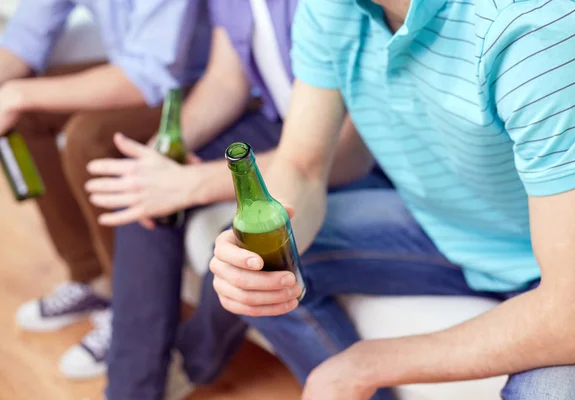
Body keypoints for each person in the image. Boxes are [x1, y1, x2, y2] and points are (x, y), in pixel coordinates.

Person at [201, 0, 575, 399]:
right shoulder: (331, 8)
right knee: (266, 274)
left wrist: (365, 364)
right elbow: (302, 166)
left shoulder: (541, 28)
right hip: (451, 226)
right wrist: (260, 261)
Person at [84, 0, 391, 398]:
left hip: (344, 153)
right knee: (140, 188)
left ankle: (194, 361)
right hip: (276, 126)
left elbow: (346, 155)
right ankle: (131, 389)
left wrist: (193, 182)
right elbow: (225, 83)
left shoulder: (331, 11)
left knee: (253, 253)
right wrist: (164, 157)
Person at [0, 0, 210, 379]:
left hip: (195, 84)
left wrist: (18, 94)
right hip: (131, 68)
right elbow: (25, 39)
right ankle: (93, 277)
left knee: (89, 137)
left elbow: (148, 75)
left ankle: (127, 311)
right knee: (22, 116)